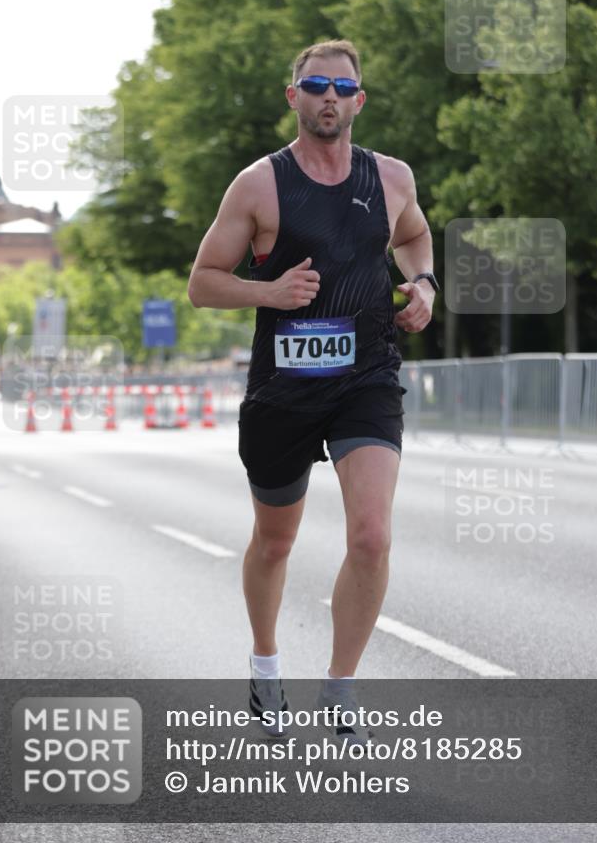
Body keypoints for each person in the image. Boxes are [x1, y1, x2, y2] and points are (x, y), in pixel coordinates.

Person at [188, 39, 437, 742]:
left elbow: (416, 238)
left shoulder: (389, 179)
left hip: (366, 376)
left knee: (371, 534)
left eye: (341, 86)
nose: (328, 95)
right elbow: (202, 282)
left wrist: (422, 284)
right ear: (292, 96)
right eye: (315, 83)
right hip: (284, 389)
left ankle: (339, 686)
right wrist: (267, 290)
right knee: (274, 542)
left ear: (358, 101)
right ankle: (265, 667)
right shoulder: (258, 185)